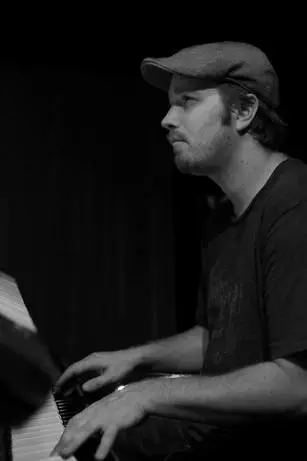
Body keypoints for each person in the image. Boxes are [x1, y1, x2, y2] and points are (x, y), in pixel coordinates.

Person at [51, 41, 307, 460]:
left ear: (244, 111)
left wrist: (151, 392)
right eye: (171, 104)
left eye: (187, 102)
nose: (167, 120)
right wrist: (137, 358)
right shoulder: (224, 215)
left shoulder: (296, 207)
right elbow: (218, 337)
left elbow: (298, 386)